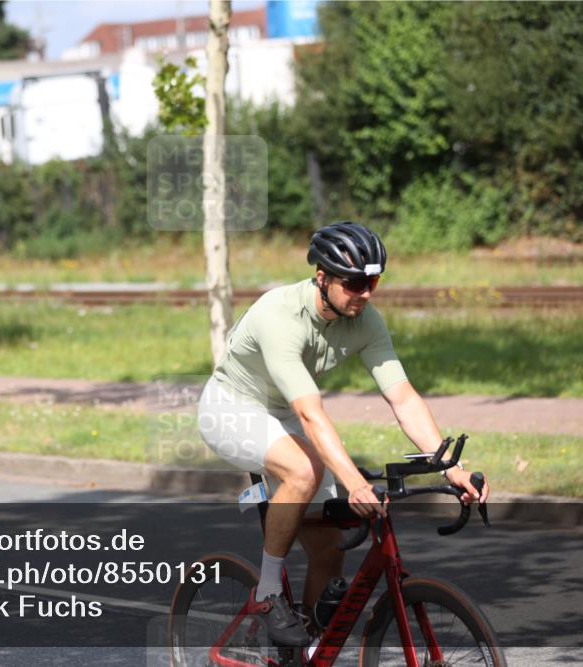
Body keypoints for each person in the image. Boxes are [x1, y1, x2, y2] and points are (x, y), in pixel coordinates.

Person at [197, 222, 491, 646]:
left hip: (282, 412)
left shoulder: (365, 320)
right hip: (230, 408)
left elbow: (402, 397)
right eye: (354, 283)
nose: (365, 293)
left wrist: (451, 468)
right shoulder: (279, 315)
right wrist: (353, 482)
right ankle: (267, 593)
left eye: (373, 282)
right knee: (303, 470)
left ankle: (309, 648)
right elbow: (310, 413)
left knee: (329, 548)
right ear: (323, 278)